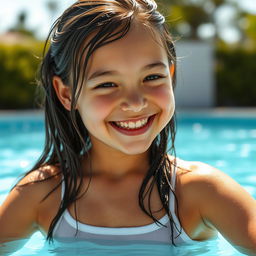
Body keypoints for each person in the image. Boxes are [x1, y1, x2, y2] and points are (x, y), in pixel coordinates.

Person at [0, 0, 255, 254]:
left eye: (152, 77)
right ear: (66, 94)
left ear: (171, 74)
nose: (135, 103)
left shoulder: (201, 192)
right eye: (107, 84)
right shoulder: (41, 195)